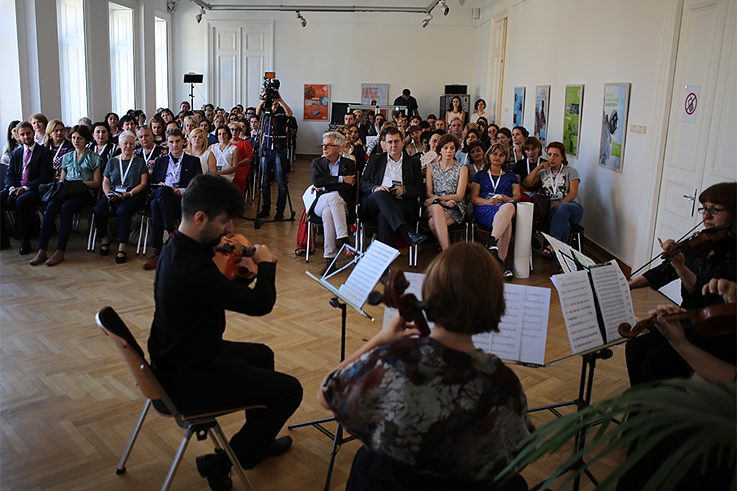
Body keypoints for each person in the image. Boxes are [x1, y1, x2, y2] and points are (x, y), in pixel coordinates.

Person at [319, 242, 530, 490]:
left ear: (431, 294)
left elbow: (325, 394)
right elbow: (518, 453)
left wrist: (380, 340)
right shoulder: (503, 382)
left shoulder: (394, 359)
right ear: (494, 303)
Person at [147, 174, 302, 490]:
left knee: (263, 355)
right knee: (290, 390)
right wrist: (266, 264)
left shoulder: (178, 246)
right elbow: (260, 305)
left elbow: (218, 287)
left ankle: (257, 442)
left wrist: (233, 260)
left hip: (175, 357)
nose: (230, 230)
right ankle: (224, 461)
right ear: (200, 218)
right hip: (188, 377)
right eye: (224, 221)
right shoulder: (193, 270)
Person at [625, 182, 736, 386]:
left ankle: (662, 402)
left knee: (658, 360)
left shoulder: (732, 256)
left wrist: (680, 266)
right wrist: (628, 285)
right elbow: (663, 272)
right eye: (704, 209)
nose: (706, 216)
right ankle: (641, 401)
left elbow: (701, 294)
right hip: (686, 320)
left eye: (715, 210)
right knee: (635, 347)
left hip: (715, 330)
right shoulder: (702, 243)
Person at [30, 125, 101, 267]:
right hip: (67, 191)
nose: (76, 141)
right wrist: (67, 185)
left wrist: (79, 183)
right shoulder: (67, 157)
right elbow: (62, 180)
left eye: (79, 138)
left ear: (86, 140)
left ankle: (60, 251)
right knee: (51, 206)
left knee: (66, 208)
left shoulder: (94, 157)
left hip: (84, 192)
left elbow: (96, 183)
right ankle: (42, 250)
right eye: (73, 138)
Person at [143, 128, 202, 270]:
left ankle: (157, 252)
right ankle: (170, 230)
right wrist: (162, 187)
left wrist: (180, 191)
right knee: (161, 193)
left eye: (177, 141)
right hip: (163, 196)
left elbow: (198, 186)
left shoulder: (193, 161)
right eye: (171, 142)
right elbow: (152, 184)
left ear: (183, 142)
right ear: (167, 143)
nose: (174, 145)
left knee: (156, 205)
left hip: (182, 200)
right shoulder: (160, 161)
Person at [359, 127, 426, 247]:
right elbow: (363, 183)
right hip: (374, 203)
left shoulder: (413, 162)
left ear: (403, 142)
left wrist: (404, 190)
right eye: (390, 142)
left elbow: (419, 188)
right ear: (384, 144)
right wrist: (376, 188)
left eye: (396, 141)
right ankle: (407, 232)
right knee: (381, 193)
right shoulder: (375, 160)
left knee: (384, 217)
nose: (393, 145)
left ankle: (385, 259)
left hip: (401, 203)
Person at [94, 131, 148, 264]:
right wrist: (108, 194)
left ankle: (122, 245)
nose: (128, 146)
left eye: (131, 143)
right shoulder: (112, 161)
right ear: (119, 144)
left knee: (122, 211)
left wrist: (130, 193)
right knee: (98, 211)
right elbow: (105, 182)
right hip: (113, 194)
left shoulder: (140, 161)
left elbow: (143, 183)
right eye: (125, 143)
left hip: (133, 195)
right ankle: (105, 238)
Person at [0, 122, 53, 253]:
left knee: (21, 201)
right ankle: (2, 240)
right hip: (16, 187)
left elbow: (45, 177)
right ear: (18, 136)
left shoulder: (44, 152)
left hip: (35, 189)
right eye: (22, 134)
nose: (26, 137)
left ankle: (25, 240)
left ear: (33, 133)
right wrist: (11, 187)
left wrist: (25, 188)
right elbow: (10, 174)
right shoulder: (16, 153)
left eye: (28, 133)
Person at [522, 141, 582, 258]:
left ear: (562, 157)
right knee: (564, 224)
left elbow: (573, 193)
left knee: (563, 208)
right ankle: (560, 259)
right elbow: (527, 183)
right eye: (549, 154)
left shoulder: (571, 171)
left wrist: (561, 203)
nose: (552, 158)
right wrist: (538, 168)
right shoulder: (543, 172)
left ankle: (553, 243)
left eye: (556, 155)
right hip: (551, 211)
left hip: (572, 207)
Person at [310, 131, 357, 272]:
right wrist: (341, 179)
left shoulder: (349, 164)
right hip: (321, 202)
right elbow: (317, 182)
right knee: (333, 196)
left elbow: (349, 188)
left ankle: (329, 260)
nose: (324, 148)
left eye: (329, 145)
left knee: (328, 212)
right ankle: (344, 241)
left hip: (342, 205)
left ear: (338, 148)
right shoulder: (317, 163)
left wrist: (326, 185)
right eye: (323, 145)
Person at [471, 143, 519, 280]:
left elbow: (517, 196)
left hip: (504, 206)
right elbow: (474, 198)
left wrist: (508, 198)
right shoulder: (480, 175)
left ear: (505, 158)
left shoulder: (511, 176)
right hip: (484, 207)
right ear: (489, 156)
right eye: (495, 154)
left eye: (501, 155)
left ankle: (492, 243)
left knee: (509, 206)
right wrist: (488, 202)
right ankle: (500, 263)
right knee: (507, 222)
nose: (497, 157)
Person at [424, 134, 468, 250]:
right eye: (445, 148)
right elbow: (428, 193)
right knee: (436, 207)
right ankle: (448, 252)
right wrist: (442, 202)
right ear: (440, 150)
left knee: (432, 223)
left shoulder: (462, 168)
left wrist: (438, 198)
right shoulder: (431, 167)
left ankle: (446, 250)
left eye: (452, 148)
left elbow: (459, 196)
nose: (449, 151)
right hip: (435, 204)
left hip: (455, 206)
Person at [256, 91, 293, 220]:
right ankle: (265, 208)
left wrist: (280, 100)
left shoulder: (282, 111)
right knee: (265, 181)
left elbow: (290, 114)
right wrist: (262, 100)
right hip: (266, 149)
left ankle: (280, 211)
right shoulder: (265, 111)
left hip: (279, 149)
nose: (273, 102)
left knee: (281, 182)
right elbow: (256, 114)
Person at [513, 136, 545, 203]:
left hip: (541, 197)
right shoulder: (518, 165)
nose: (530, 152)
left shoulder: (545, 164)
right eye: (527, 149)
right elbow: (517, 186)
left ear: (539, 148)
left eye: (533, 149)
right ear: (524, 151)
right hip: (524, 196)